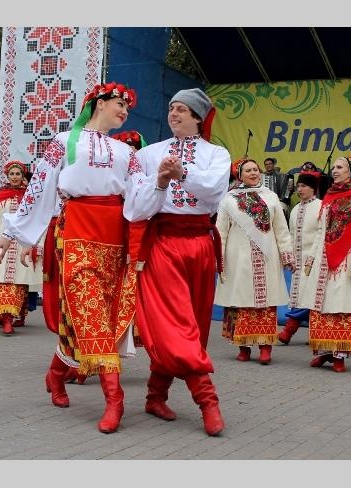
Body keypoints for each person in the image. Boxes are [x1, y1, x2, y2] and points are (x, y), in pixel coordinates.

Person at [0, 81, 147, 434]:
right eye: (120, 104)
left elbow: (141, 199)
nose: (125, 111)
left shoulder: (127, 153)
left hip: (115, 238)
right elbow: (40, 188)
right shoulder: (64, 141)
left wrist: (163, 185)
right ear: (99, 103)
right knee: (90, 312)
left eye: (128, 107)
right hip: (76, 231)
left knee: (98, 317)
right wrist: (11, 232)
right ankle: (115, 399)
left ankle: (55, 373)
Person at [129, 88, 231, 436]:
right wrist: (160, 182)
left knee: (194, 327)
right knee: (177, 327)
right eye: (171, 107)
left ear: (198, 117)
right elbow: (136, 208)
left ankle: (155, 396)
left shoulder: (217, 154)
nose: (173, 114)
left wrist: (182, 173)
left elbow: (214, 192)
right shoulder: (149, 154)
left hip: (200, 245)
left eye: (182, 109)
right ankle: (208, 402)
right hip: (163, 244)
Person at [298, 154, 351, 373]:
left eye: (340, 167)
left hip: (348, 258)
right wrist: (311, 258)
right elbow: (321, 230)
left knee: (342, 306)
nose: (334, 170)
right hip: (324, 258)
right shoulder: (330, 195)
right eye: (333, 167)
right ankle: (325, 352)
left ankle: (339, 356)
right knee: (322, 306)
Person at [214, 157, 295, 365]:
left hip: (267, 257)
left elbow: (281, 229)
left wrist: (287, 255)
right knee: (240, 301)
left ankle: (265, 347)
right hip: (238, 258)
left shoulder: (271, 196)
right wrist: (218, 259)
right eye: (248, 170)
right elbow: (221, 232)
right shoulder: (229, 199)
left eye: (255, 170)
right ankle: (244, 347)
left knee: (265, 302)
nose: (253, 173)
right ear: (239, 175)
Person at [0, 160, 43, 336]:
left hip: (23, 245)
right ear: (7, 176)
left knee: (19, 283)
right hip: (2, 244)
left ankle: (16, 315)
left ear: (23, 175)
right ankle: (7, 317)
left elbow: (38, 223)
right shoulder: (0, 196)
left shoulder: (29, 196)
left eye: (18, 174)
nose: (15, 177)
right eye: (12, 174)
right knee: (3, 282)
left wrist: (37, 246)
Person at [278, 170, 322, 345]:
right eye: (298, 186)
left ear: (313, 188)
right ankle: (315, 335)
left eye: (303, 186)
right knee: (301, 296)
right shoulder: (295, 209)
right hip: (298, 262)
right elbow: (290, 234)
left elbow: (322, 235)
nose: (299, 189)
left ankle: (288, 331)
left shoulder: (321, 206)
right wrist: (289, 257)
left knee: (311, 297)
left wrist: (313, 258)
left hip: (315, 261)